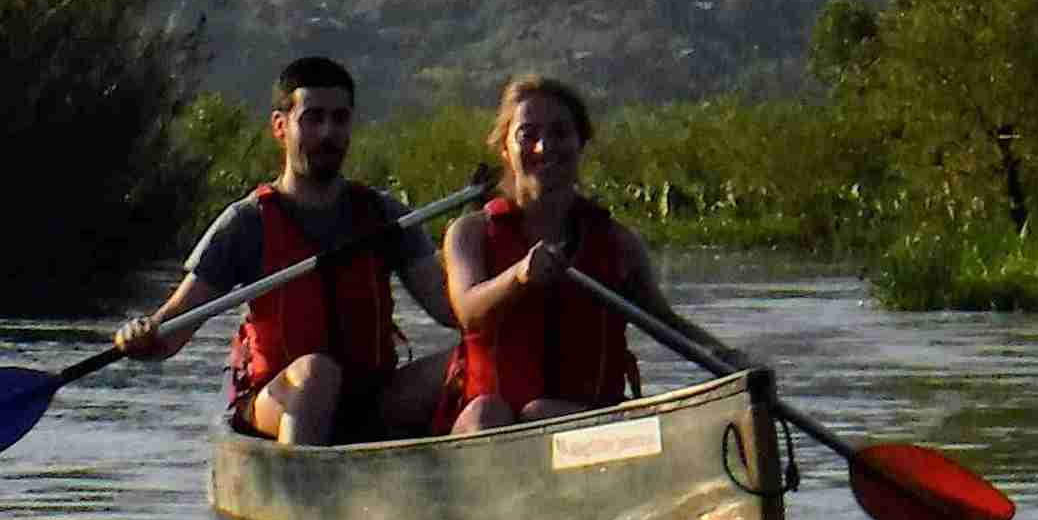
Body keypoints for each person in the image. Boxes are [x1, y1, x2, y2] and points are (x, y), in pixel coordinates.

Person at [116, 54, 456, 445]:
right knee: (316, 373)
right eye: (313, 118)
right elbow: (173, 327)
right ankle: (303, 489)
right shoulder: (246, 223)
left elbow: (449, 307)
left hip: (371, 398)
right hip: (279, 403)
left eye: (340, 119)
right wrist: (140, 336)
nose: (328, 132)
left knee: (468, 360)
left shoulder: (385, 216)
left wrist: (515, 286)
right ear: (281, 126)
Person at [442, 73, 666, 434]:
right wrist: (517, 277)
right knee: (486, 413)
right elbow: (468, 312)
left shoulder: (620, 243)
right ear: (505, 148)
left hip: (583, 425)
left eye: (560, 133)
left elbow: (666, 323)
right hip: (492, 426)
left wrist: (731, 362)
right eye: (527, 135)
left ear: (580, 143)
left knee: (542, 413)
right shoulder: (469, 233)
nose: (544, 148)